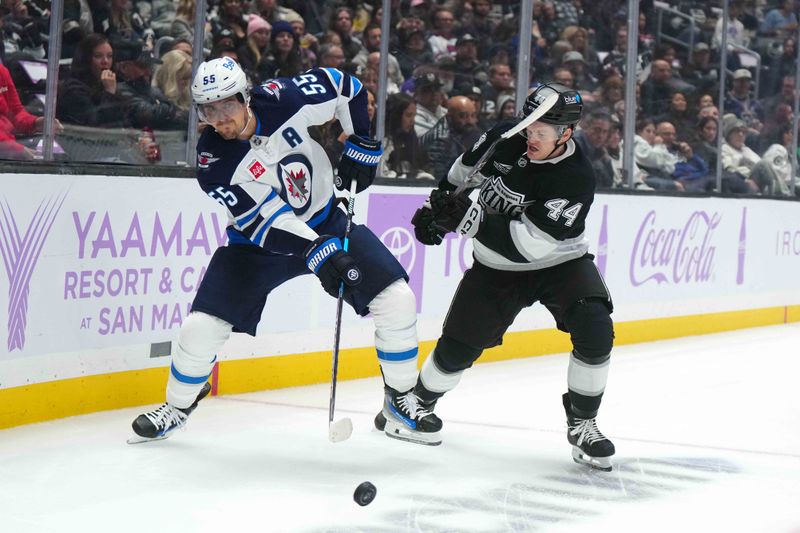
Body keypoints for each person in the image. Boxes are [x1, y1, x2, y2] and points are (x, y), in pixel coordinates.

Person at [129, 59, 426, 445]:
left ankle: (399, 402)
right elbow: (266, 222)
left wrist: (359, 141)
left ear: (245, 96)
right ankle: (178, 406)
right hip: (257, 245)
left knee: (397, 299)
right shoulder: (214, 162)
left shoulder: (283, 98)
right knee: (200, 328)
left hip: (327, 220)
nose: (219, 120)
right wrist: (318, 250)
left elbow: (345, 87)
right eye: (207, 110)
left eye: (225, 106)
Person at [377, 83, 616, 469]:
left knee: (595, 328)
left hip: (561, 263)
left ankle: (583, 423)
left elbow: (530, 246)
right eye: (528, 126)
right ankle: (416, 401)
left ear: (565, 133)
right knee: (458, 348)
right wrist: (436, 208)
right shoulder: (501, 139)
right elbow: (460, 175)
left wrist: (466, 220)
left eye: (541, 132)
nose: (530, 136)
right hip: (495, 267)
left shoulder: (575, 177)